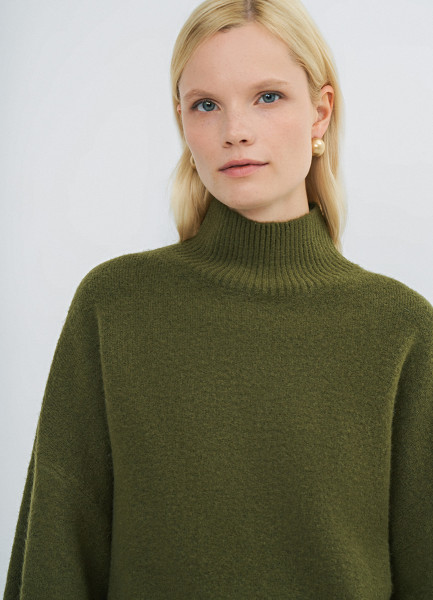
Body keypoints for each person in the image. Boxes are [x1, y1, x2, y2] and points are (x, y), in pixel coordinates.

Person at [4, 0, 433, 598]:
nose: (235, 130)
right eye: (206, 105)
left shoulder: (400, 329)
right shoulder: (115, 306)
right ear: (182, 122)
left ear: (320, 112)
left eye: (268, 97)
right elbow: (55, 557)